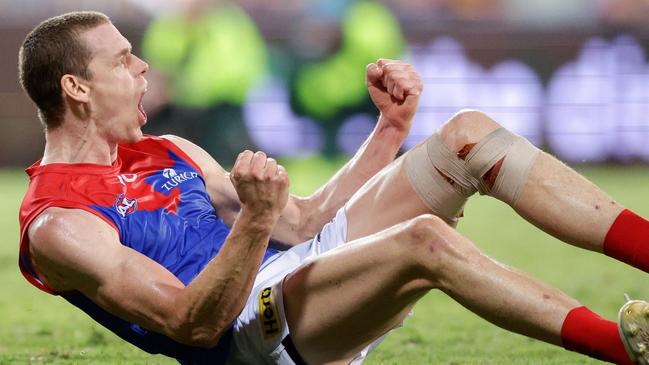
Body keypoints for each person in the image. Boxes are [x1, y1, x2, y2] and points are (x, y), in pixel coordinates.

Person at [16, 11, 649, 365]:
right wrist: (254, 222)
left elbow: (307, 221)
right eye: (123, 59)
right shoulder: (58, 222)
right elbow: (192, 326)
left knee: (468, 137)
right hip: (252, 337)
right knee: (424, 241)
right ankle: (627, 347)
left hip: (296, 268)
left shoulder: (166, 150)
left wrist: (389, 129)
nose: (144, 65)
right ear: (76, 88)